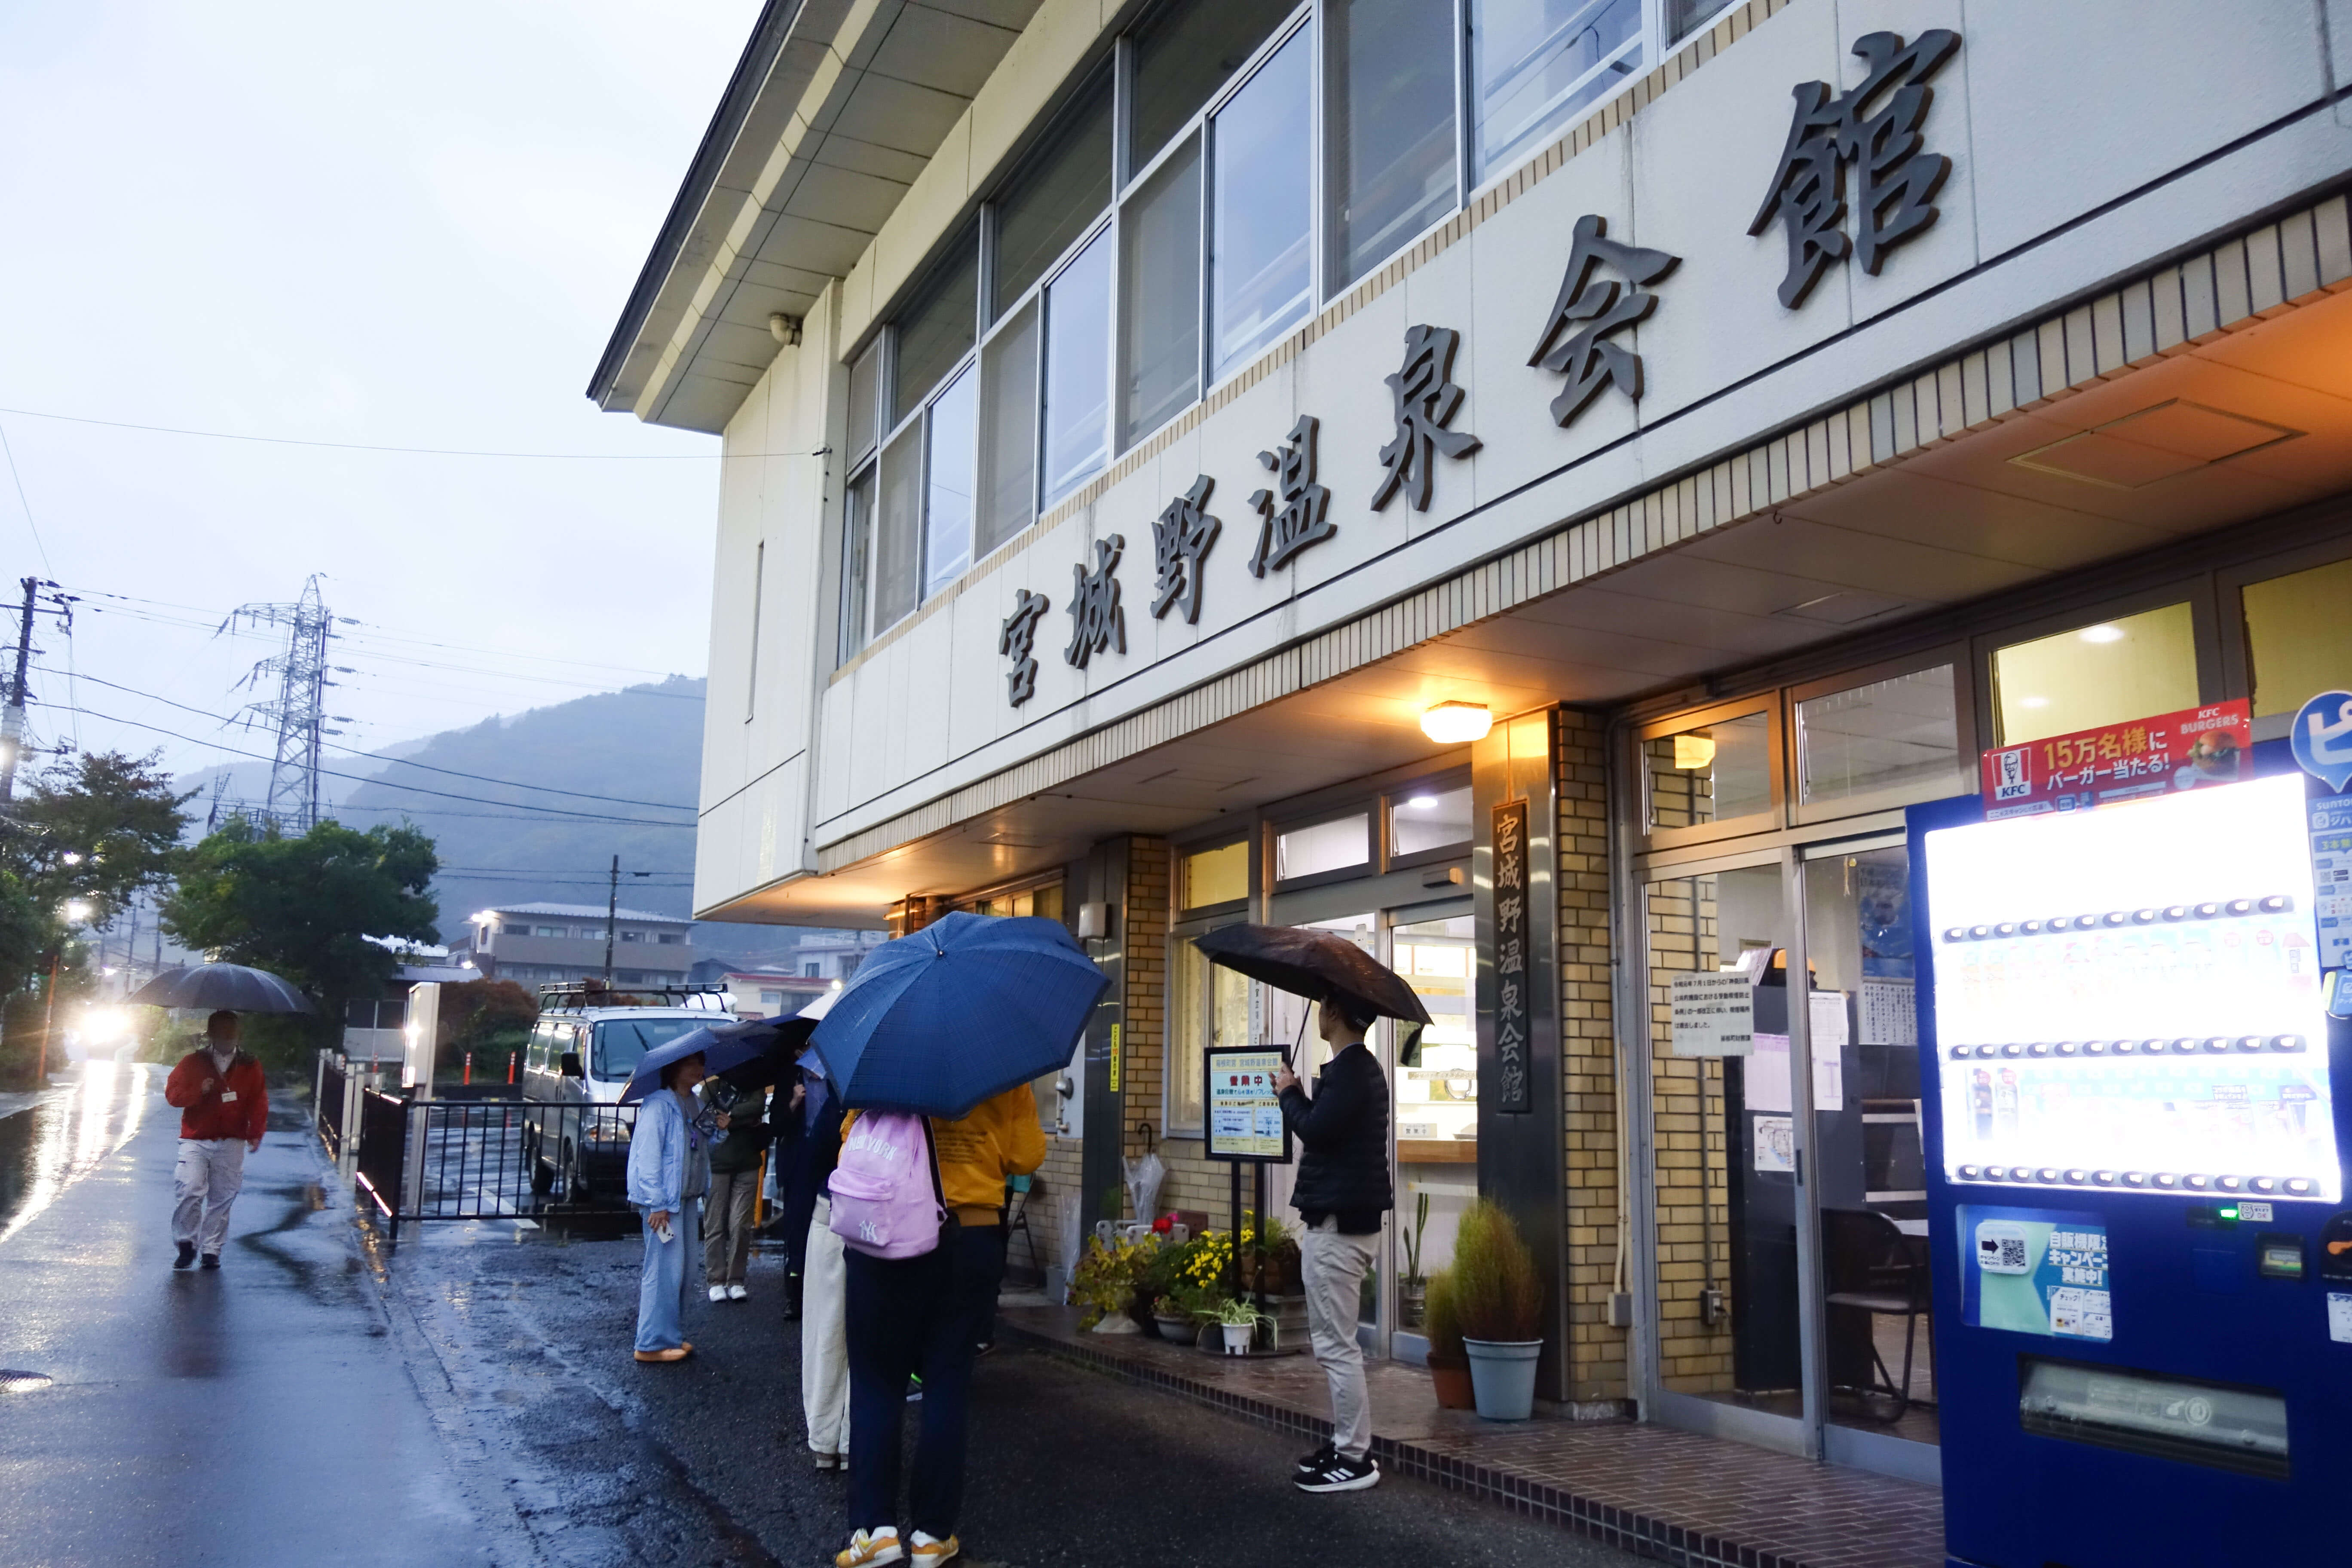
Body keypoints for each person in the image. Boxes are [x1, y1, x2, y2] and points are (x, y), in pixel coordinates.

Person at [836, 1082, 1045, 1568]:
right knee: (947, 1381)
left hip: (888, 1235)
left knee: (877, 1381)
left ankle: (875, 1532)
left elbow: (850, 1145)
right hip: (969, 1236)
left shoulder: (885, 1065)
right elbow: (1027, 1157)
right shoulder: (1002, 1068)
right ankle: (932, 1537)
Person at [1273, 997, 1392, 1494]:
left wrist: (1289, 1095)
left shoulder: (1351, 1071)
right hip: (1345, 1222)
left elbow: (1317, 1132)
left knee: (1337, 1348)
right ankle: (1346, 1442)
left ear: (1336, 1014)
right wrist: (1301, 1092)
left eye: (1323, 1005)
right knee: (1337, 1345)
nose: (1318, 1013)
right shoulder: (1358, 1070)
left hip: (1338, 1227)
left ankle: (1354, 1457)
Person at [626, 1050, 727, 1363]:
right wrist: (656, 1203)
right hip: (665, 1204)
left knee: (682, 1274)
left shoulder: (694, 1103)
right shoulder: (659, 1105)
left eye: (701, 1063)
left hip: (685, 1198)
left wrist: (721, 1127)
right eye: (690, 1064)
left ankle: (668, 1335)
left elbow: (705, 1143)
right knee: (662, 1273)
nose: (698, 1069)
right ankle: (651, 1343)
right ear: (673, 1069)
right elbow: (648, 1158)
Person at [162, 1011, 268, 1270]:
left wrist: (256, 1132)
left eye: (231, 1033)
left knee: (223, 1197)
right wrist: (200, 1091)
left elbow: (258, 1099)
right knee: (189, 1188)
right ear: (211, 1034)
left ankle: (211, 1250)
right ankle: (186, 1244)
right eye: (221, 1033)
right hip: (196, 1138)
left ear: (238, 1035)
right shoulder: (192, 1063)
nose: (226, 1038)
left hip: (232, 1139)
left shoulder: (249, 1065)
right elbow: (173, 1096)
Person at [796, 1053, 852, 1471]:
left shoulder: (842, 1099)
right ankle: (855, 1441)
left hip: (832, 1220)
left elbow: (812, 1162)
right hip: (894, 1230)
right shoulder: (915, 1107)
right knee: (870, 1342)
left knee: (827, 1332)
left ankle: (825, 1441)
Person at [700, 1072, 768, 1302]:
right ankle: (716, 1280)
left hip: (748, 1161)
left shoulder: (755, 1086)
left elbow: (757, 1107)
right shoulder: (710, 1088)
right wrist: (742, 1119)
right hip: (716, 1163)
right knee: (715, 1224)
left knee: (741, 1225)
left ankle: (736, 1279)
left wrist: (731, 1117)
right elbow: (706, 1117)